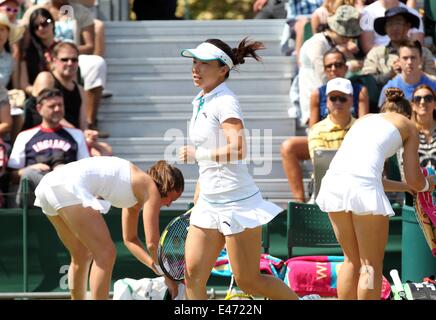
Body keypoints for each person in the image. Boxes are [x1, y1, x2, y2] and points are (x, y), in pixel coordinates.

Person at [178, 38, 318, 300]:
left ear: (223, 70)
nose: (195, 68)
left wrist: (200, 154)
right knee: (192, 277)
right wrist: (199, 196)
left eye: (204, 63)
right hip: (209, 202)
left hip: (236, 202)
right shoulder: (200, 100)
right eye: (194, 62)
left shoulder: (226, 101)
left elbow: (239, 149)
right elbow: (209, 163)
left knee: (249, 280)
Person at [316, 88, 434, 299]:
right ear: (407, 114)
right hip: (361, 186)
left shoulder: (365, 120)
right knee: (369, 264)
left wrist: (406, 187)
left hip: (333, 183)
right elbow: (415, 179)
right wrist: (428, 184)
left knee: (350, 260)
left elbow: (374, 179)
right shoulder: (408, 125)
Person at [34, 156, 185, 300]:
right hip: (67, 187)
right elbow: (152, 243)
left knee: (81, 255)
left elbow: (130, 239)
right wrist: (167, 276)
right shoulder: (150, 189)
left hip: (48, 186)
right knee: (105, 253)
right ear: (167, 185)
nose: (170, 204)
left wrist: (154, 266)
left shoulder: (136, 188)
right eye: (172, 198)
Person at [8, 88, 89, 207]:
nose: (57, 109)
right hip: (35, 198)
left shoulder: (76, 134)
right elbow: (12, 176)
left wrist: (65, 171)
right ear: (39, 109)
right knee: (29, 174)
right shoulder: (24, 136)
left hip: (67, 194)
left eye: (60, 105)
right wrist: (31, 169)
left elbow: (86, 170)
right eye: (52, 106)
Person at [362, 6, 436, 88]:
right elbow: (367, 82)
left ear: (408, 26)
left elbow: (434, 80)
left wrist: (418, 72)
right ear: (385, 29)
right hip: (386, 99)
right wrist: (390, 74)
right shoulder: (375, 53)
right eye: (389, 24)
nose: (394, 28)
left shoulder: (423, 53)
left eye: (398, 23)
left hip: (419, 98)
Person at [378, 40, 436, 106]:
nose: (409, 62)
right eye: (405, 58)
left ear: (421, 60)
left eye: (413, 58)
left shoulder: (433, 86)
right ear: (398, 61)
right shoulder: (390, 89)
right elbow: (382, 115)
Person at [359, 0, 424, 54]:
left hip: (408, 57)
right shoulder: (367, 13)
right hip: (379, 58)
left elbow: (417, 46)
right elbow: (367, 47)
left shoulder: (413, 13)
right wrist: (390, 56)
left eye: (399, 22)